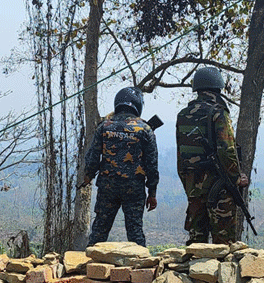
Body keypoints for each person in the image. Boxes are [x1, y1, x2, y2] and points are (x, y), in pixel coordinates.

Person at [176, 67, 248, 245]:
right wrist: (236, 178)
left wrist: (188, 183)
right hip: (219, 184)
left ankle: (194, 272)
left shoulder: (182, 115)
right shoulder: (218, 113)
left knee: (196, 240)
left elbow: (181, 155)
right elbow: (227, 151)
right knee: (223, 242)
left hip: (193, 184)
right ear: (218, 87)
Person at [81, 87, 159, 247]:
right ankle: (142, 267)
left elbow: (93, 157)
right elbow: (152, 165)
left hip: (107, 188)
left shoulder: (104, 127)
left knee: (99, 231)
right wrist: (152, 192)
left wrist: (88, 175)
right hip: (134, 189)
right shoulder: (145, 130)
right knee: (135, 232)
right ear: (138, 105)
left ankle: (88, 265)